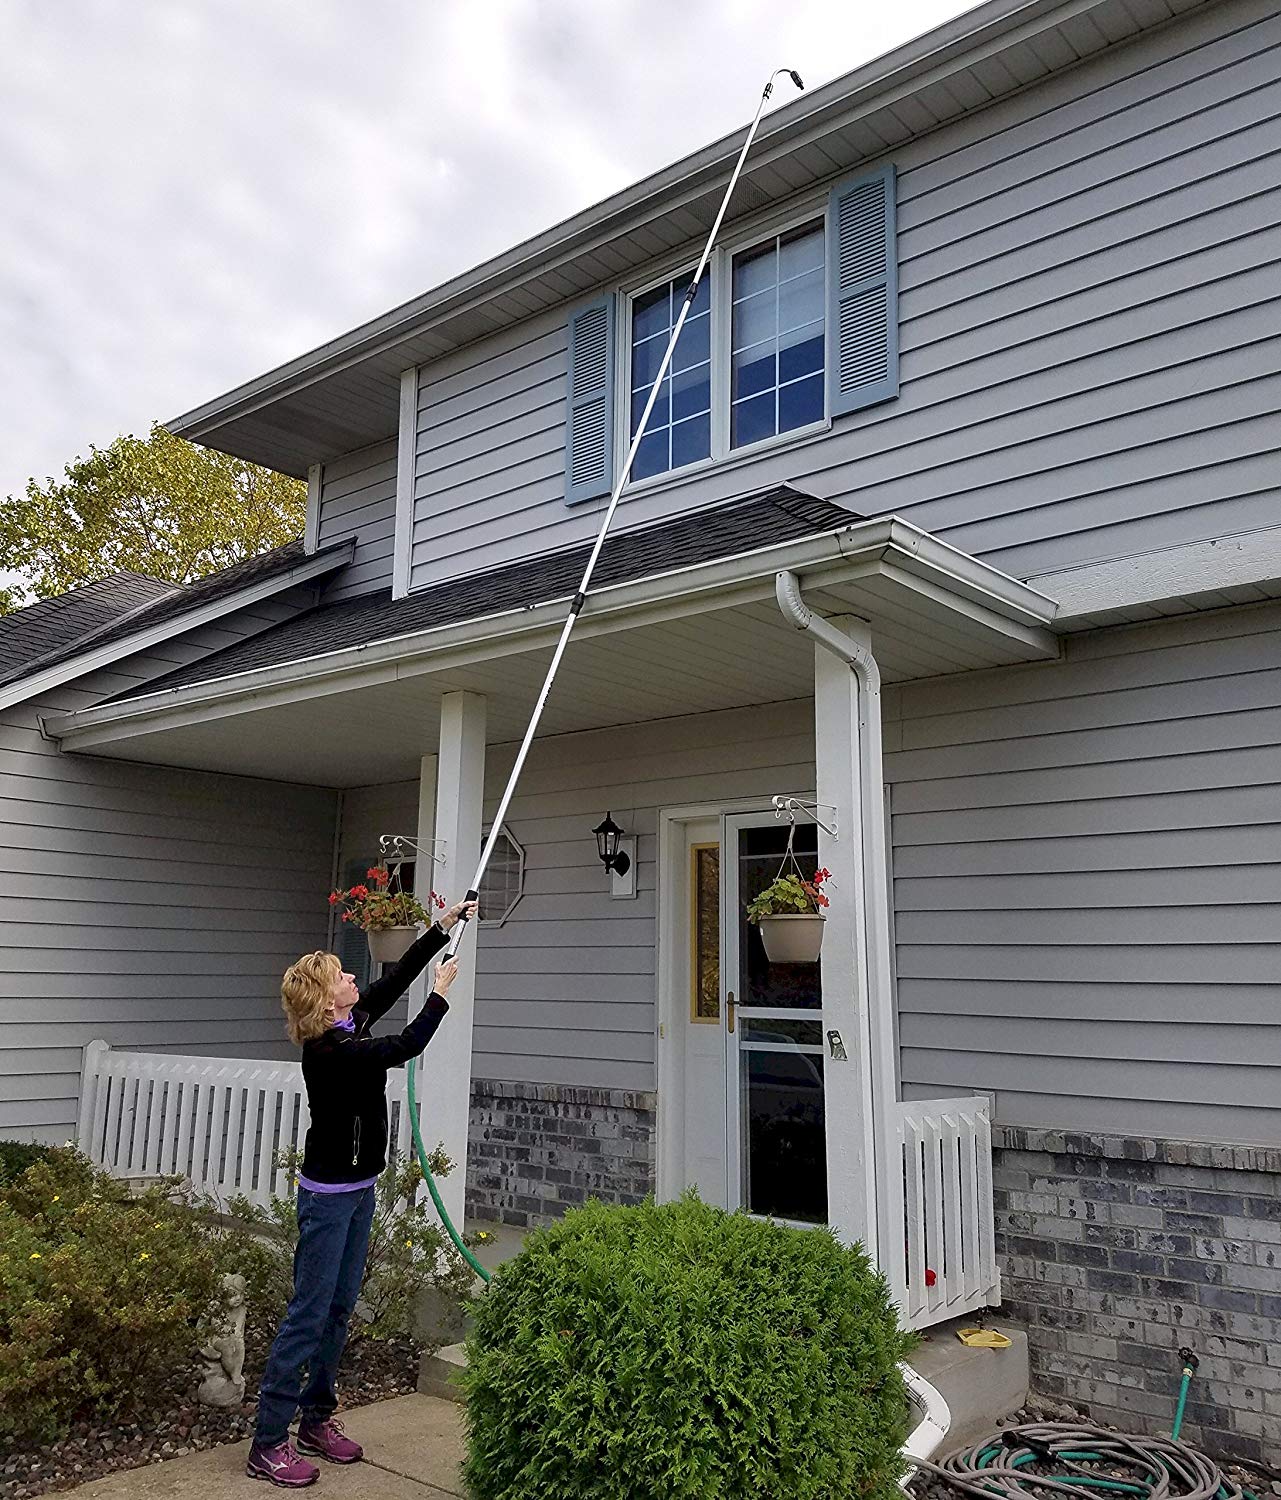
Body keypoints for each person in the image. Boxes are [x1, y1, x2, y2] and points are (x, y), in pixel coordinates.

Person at [246, 897, 476, 1488]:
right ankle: (268, 1443)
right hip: (327, 1200)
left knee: (340, 1309)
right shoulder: (331, 1051)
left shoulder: (351, 1022)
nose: (355, 978)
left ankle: (316, 1421)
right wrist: (442, 995)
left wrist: (442, 928)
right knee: (307, 1314)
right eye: (343, 977)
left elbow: (396, 975)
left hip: (359, 1188)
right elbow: (403, 1048)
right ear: (326, 1001)